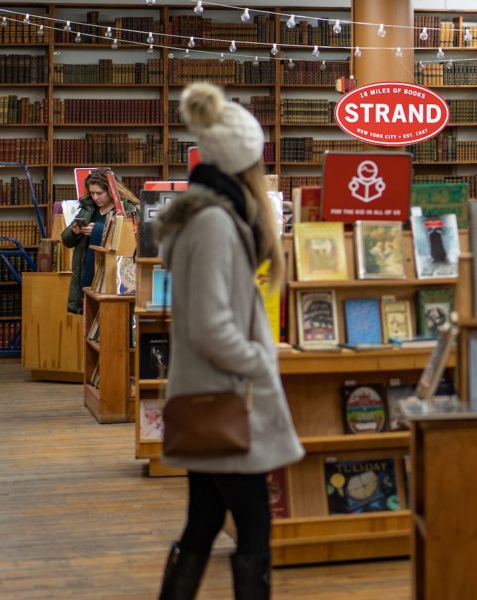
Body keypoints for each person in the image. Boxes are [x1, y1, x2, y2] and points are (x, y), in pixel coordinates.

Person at [155, 82, 304, 600]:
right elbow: (212, 327)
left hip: (207, 400)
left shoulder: (205, 218)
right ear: (245, 163)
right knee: (255, 527)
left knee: (202, 523)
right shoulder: (217, 224)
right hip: (228, 401)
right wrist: (261, 362)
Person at [60, 168, 139, 313]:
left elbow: (129, 239)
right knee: (88, 314)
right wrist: (74, 232)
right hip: (87, 271)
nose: (95, 198)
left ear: (110, 191)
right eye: (92, 193)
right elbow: (66, 240)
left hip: (112, 275)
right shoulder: (88, 209)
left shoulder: (125, 209)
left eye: (99, 193)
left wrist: (100, 230)